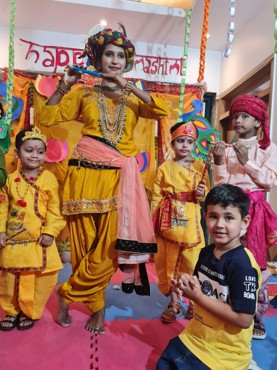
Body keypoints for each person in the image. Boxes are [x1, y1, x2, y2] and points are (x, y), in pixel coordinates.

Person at [38, 24, 170, 334]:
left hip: (118, 182)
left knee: (110, 249)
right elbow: (47, 119)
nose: (114, 60)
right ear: (97, 59)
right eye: (108, 55)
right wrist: (62, 86)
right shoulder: (83, 93)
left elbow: (160, 110)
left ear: (127, 62)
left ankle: (67, 294)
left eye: (120, 56)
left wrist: (131, 85)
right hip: (83, 176)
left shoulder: (135, 98)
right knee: (84, 246)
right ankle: (96, 307)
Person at [157, 184, 261, 370]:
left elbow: (244, 319)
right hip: (196, 336)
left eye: (229, 218)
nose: (219, 224)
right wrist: (186, 282)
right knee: (163, 364)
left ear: (244, 222)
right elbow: (200, 284)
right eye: (213, 216)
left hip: (225, 350)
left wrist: (197, 297)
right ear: (205, 218)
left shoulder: (243, 265)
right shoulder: (206, 253)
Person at [213, 94, 277, 340]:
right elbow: (221, 184)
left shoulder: (269, 149)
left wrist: (247, 162)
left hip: (255, 210)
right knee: (228, 257)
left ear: (258, 122)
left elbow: (269, 181)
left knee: (254, 262)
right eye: (235, 116)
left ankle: (255, 315)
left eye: (244, 116)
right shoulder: (227, 148)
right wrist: (220, 161)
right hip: (231, 210)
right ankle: (227, 307)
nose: (238, 121)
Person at [0, 127, 66, 331]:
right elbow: (2, 207)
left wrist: (50, 231)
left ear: (46, 155)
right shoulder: (9, 180)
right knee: (9, 278)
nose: (34, 155)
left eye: (39, 151)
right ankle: (11, 311)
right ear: (18, 153)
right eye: (29, 150)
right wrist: (1, 230)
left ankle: (30, 311)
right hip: (13, 239)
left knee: (36, 280)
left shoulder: (49, 180)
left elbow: (56, 209)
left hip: (39, 240)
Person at [152, 121, 210, 323]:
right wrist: (155, 222)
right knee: (169, 265)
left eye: (189, 142)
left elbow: (208, 194)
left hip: (191, 226)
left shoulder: (199, 167)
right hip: (169, 224)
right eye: (180, 141)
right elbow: (156, 196)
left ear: (194, 145)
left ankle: (193, 302)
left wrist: (203, 194)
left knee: (193, 264)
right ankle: (175, 302)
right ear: (173, 143)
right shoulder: (164, 168)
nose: (185, 145)